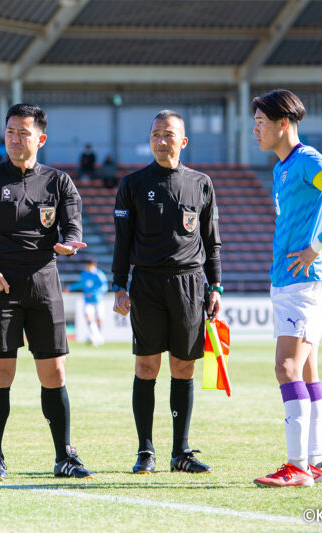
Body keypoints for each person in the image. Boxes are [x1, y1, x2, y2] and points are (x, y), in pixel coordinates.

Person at [0, 103, 92, 482]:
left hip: (45, 284)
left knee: (55, 373)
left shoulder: (59, 182)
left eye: (23, 133)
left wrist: (69, 243)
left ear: (40, 138)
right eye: (10, 132)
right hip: (2, 287)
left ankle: (65, 455)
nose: (15, 139)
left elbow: (73, 228)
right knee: (0, 372)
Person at [250, 89, 322, 487]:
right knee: (308, 371)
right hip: (288, 280)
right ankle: (315, 462)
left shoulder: (307, 160)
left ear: (284, 124)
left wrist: (315, 248)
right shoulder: (282, 167)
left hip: (305, 282)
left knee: (286, 367)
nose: (255, 130)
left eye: (261, 122)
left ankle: (296, 466)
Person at [111, 110, 222, 476]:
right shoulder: (133, 184)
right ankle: (145, 450)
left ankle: (181, 451)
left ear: (183, 141)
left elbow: (212, 241)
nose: (161, 140)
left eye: (168, 134)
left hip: (190, 283)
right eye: (155, 134)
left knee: (183, 367)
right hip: (146, 283)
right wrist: (118, 285)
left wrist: (216, 285)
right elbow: (122, 241)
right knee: (146, 366)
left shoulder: (201, 184)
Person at [65, 258, 108, 346]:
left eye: (88, 265)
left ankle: (97, 335)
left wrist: (93, 293)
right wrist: (70, 288)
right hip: (88, 301)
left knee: (99, 318)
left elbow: (104, 287)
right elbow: (81, 283)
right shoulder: (84, 274)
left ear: (93, 265)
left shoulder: (99, 275)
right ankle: (95, 335)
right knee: (88, 317)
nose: (86, 267)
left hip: (98, 300)